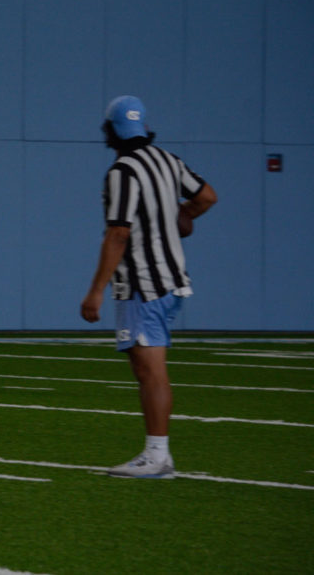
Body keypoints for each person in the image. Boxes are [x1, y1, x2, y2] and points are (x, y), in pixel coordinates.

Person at [80, 96, 217, 478]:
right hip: (173, 279)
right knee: (150, 369)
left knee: (150, 371)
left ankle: (157, 456)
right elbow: (207, 196)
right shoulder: (168, 160)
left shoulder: (122, 172)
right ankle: (158, 454)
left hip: (143, 284)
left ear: (110, 130)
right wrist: (180, 215)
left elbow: (118, 234)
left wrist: (96, 290)